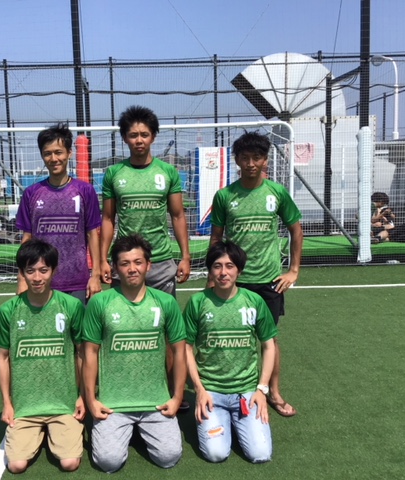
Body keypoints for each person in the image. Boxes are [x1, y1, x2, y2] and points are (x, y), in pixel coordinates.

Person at [209, 131, 303, 418]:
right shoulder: (225, 196)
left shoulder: (277, 193)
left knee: (269, 340)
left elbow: (296, 229)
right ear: (236, 160)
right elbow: (216, 238)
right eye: (245, 158)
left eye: (257, 157)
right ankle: (228, 388)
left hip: (269, 281)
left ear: (265, 160)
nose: (251, 163)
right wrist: (213, 276)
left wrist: (293, 270)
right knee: (228, 336)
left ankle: (273, 392)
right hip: (233, 281)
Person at [82, 234, 187, 473]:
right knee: (108, 462)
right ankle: (126, 430)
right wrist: (91, 400)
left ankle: (139, 430)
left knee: (168, 457)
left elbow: (179, 352)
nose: (132, 269)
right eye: (125, 263)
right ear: (115, 268)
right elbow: (90, 354)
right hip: (113, 404)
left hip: (155, 402)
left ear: (148, 265)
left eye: (138, 262)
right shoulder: (100, 303)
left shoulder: (165, 302)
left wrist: (177, 397)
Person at [0, 239, 86, 474]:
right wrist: (7, 403)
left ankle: (53, 432)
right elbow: (3, 357)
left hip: (63, 404)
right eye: (30, 271)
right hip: (25, 408)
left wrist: (82, 395)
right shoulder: (8, 311)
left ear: (54, 270)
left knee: (69, 463)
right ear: (22, 273)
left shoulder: (71, 306)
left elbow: (82, 353)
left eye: (43, 270)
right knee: (16, 465)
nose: (37, 277)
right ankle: (36, 433)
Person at [184, 241, 277, 463]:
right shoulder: (198, 302)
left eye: (230, 266)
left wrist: (262, 389)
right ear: (210, 270)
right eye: (217, 266)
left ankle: (240, 423)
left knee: (261, 454)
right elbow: (186, 347)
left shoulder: (254, 301)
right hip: (211, 392)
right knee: (215, 454)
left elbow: (268, 345)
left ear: (239, 270)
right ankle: (225, 422)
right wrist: (199, 389)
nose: (223, 272)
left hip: (246, 392)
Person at [100, 105, 190, 296]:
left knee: (164, 313)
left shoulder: (168, 171)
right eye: (133, 135)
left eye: (144, 134)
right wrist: (102, 259)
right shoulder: (113, 173)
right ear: (125, 138)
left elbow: (178, 216)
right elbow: (107, 219)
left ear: (153, 137)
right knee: (123, 314)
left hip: (160, 261)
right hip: (126, 260)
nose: (139, 140)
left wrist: (185, 257)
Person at [15, 123, 102, 303]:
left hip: (78, 282)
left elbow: (93, 234)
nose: (53, 158)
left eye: (58, 152)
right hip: (42, 282)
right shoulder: (31, 193)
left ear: (69, 153)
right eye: (47, 153)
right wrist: (22, 278)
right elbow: (27, 238)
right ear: (42, 156)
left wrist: (95, 275)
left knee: (79, 322)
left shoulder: (85, 191)